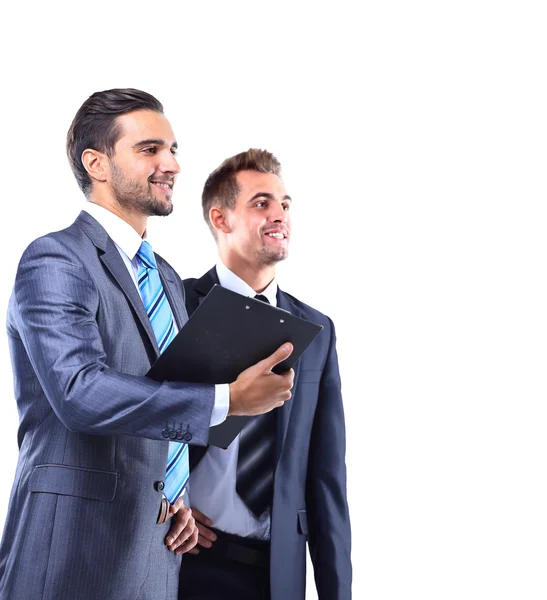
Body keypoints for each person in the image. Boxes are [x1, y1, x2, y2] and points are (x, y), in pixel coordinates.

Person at [0, 91, 294, 600]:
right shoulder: (56, 259)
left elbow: (165, 398)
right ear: (97, 163)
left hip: (156, 549)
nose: (172, 164)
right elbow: (79, 392)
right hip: (74, 549)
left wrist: (177, 491)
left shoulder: (163, 277)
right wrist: (227, 399)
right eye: (150, 150)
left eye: (173, 149)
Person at [178, 149, 352, 600]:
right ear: (221, 218)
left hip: (277, 575)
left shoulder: (318, 329)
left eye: (285, 204)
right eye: (261, 203)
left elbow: (326, 478)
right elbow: (131, 427)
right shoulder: (172, 305)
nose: (280, 215)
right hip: (182, 562)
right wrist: (160, 506)